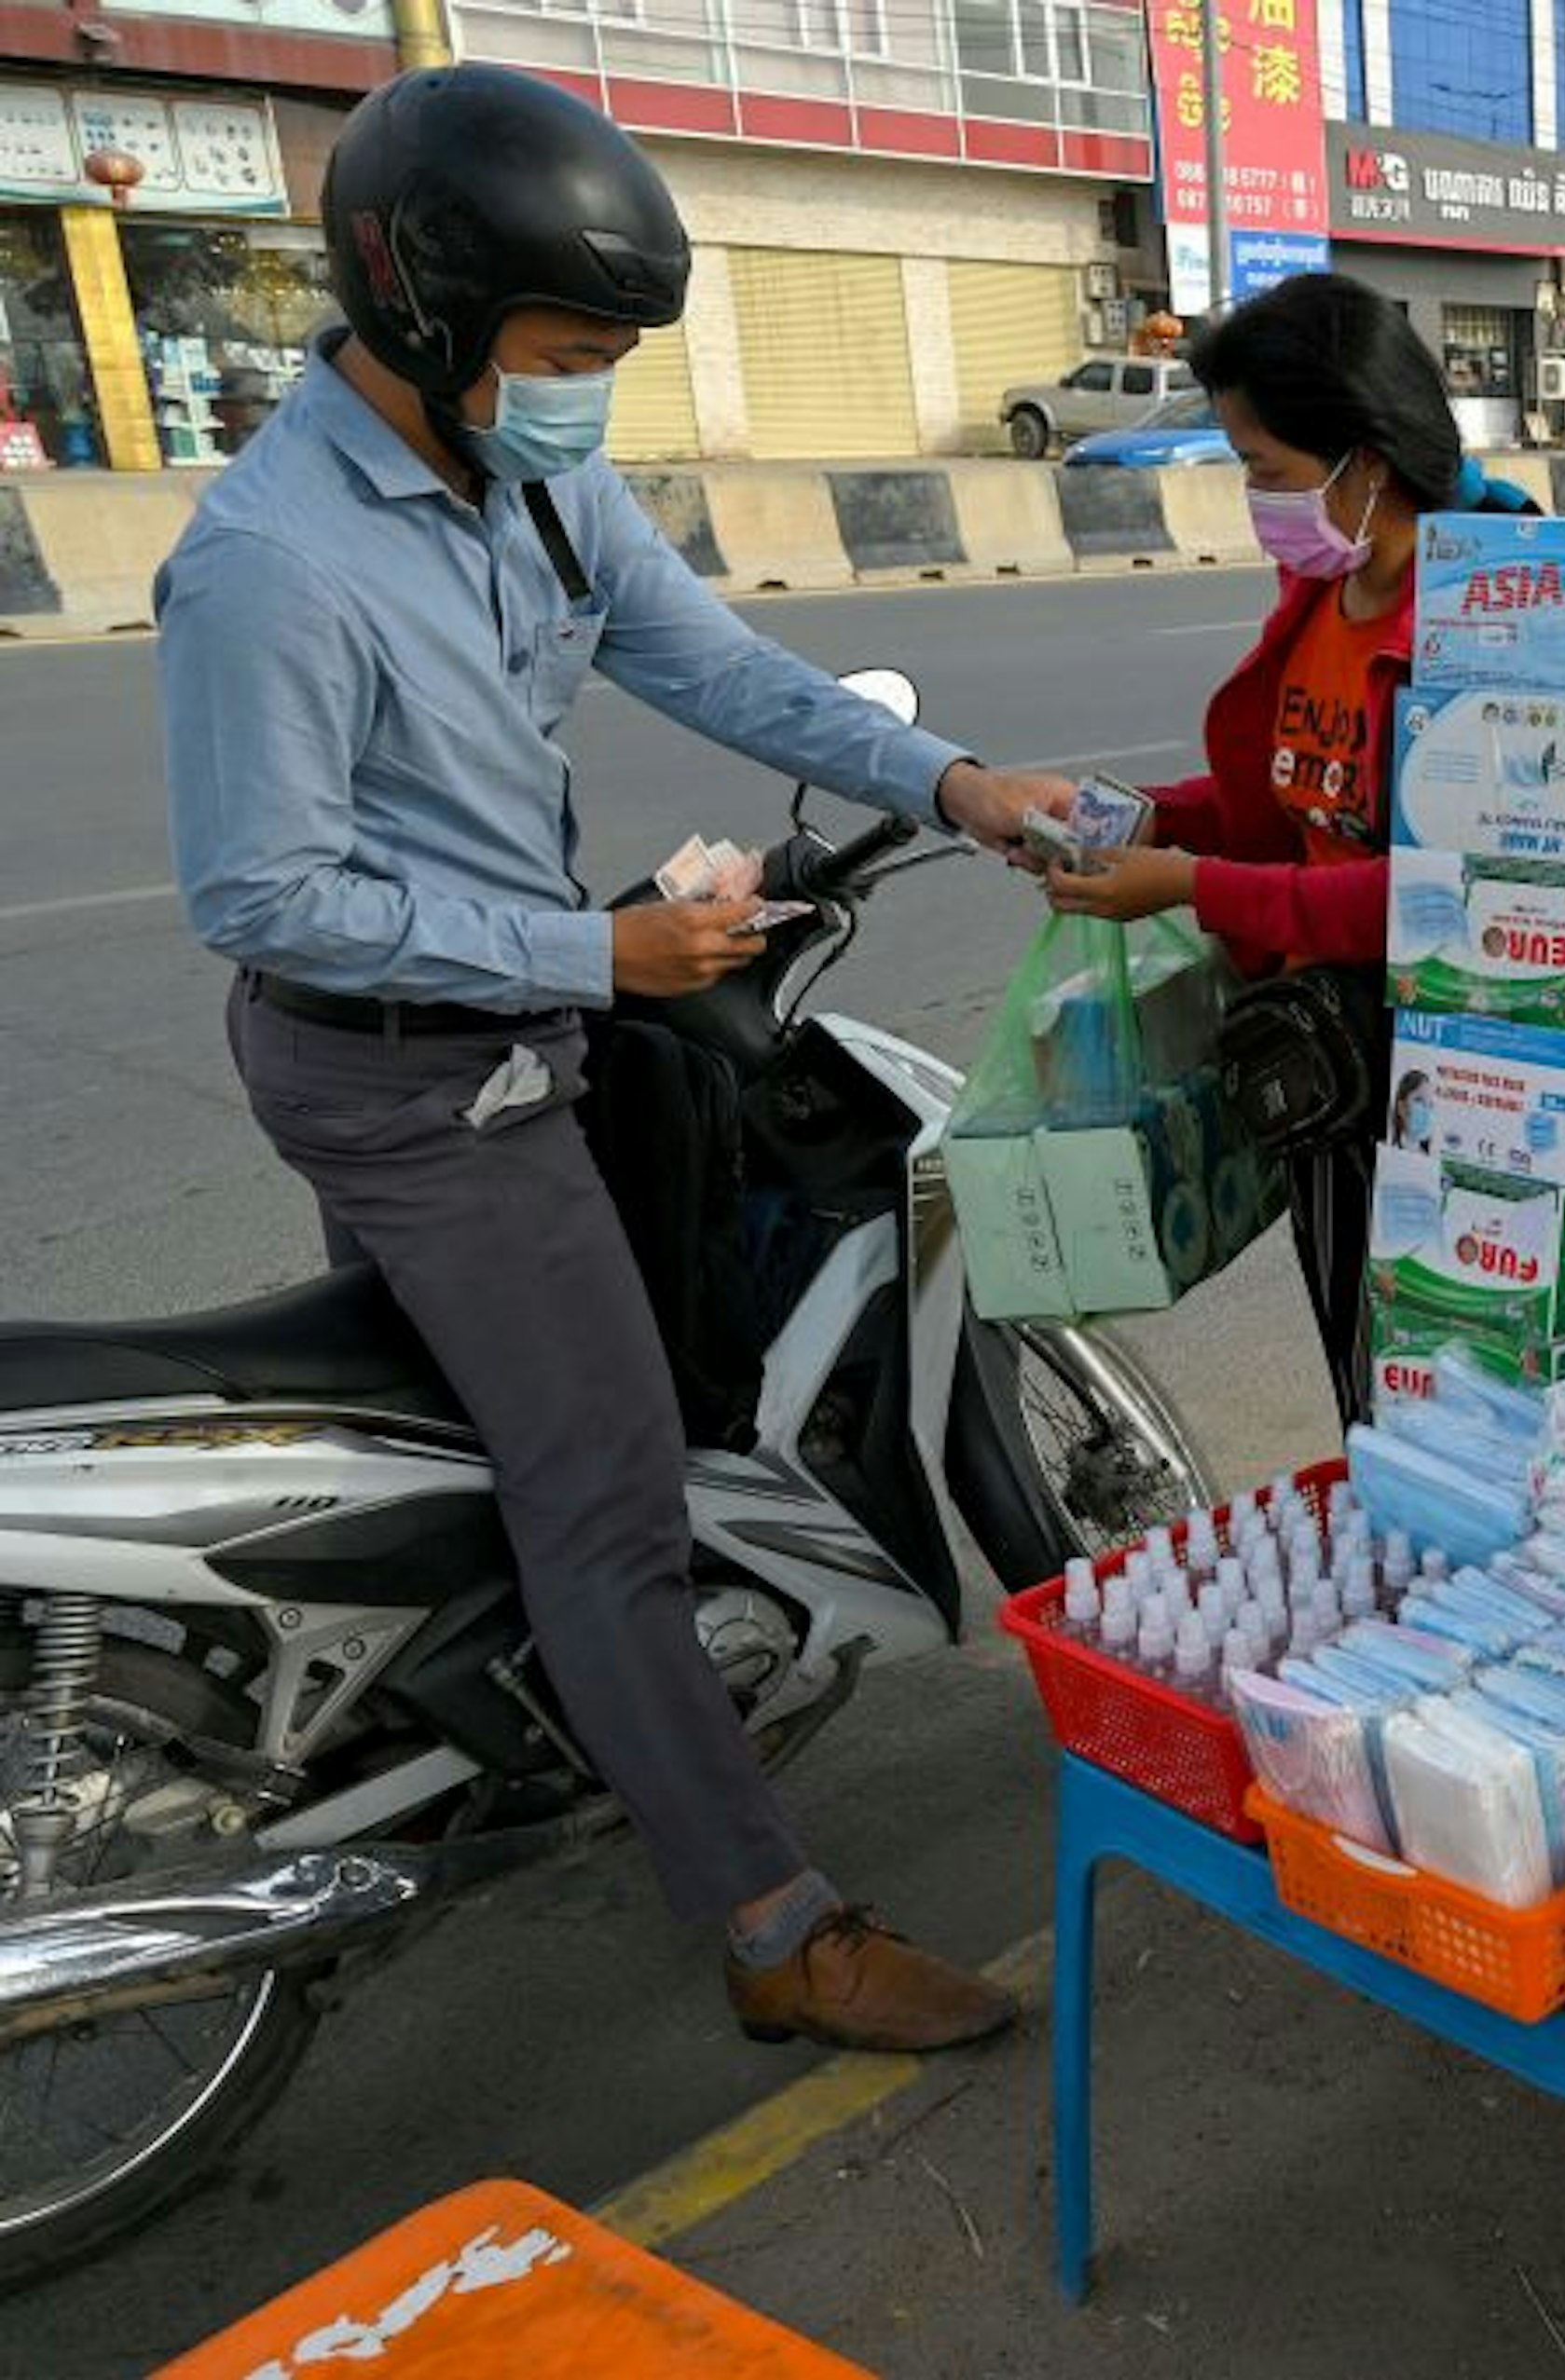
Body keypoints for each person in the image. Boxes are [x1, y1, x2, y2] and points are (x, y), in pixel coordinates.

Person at [158, 66, 1078, 2053]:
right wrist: (596, 947)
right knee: (605, 1490)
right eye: (568, 351)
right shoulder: (275, 563)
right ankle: (774, 1923)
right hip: (416, 1073)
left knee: (502, 1414)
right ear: (423, 311)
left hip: (528, 1015)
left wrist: (954, 779)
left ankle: (514, 1712)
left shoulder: (532, 476)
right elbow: (264, 895)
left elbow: (714, 661)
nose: (592, 393)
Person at [1042, 273, 1537, 1423]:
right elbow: (1288, 806)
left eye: (1264, 468)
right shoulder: (1323, 593)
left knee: (1455, 1410)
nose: (1253, 496)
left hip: (1450, 1080)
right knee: (1362, 1388)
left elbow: (1455, 897)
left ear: (1363, 458)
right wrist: (1135, 821)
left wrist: (1198, 888)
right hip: (1325, 1069)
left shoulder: (1490, 620)